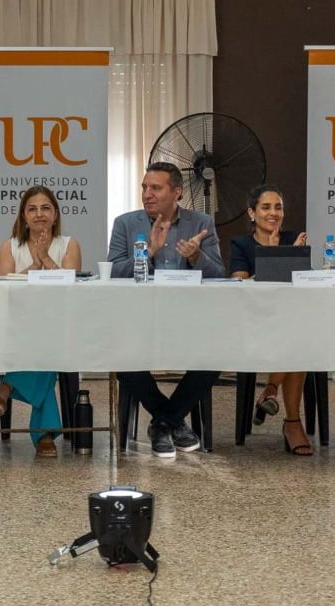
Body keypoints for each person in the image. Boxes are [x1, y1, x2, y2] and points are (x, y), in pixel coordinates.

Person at [107, 161, 223, 458]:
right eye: (144, 187)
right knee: (120, 357)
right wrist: (150, 251)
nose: (147, 194)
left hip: (189, 319)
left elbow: (219, 275)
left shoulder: (201, 223)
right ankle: (171, 420)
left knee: (215, 357)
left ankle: (163, 422)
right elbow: (114, 272)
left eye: (156, 188)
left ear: (177, 192)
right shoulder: (125, 224)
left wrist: (196, 256)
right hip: (140, 318)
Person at [0, 185, 82, 457]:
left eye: (45, 208)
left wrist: (46, 259)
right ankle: (45, 435)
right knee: (44, 346)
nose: (39, 214)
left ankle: (7, 385)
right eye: (32, 209)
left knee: (47, 339)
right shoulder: (9, 246)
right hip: (17, 325)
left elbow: (71, 286)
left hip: (59, 323)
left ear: (55, 214)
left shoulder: (69, 244)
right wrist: (33, 266)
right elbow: (4, 289)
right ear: (23, 216)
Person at [229, 184, 313, 455]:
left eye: (278, 207)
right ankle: (291, 422)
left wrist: (295, 256)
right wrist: (277, 257)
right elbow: (239, 284)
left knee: (296, 336)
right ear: (252, 213)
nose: (273, 213)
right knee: (295, 338)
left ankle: (272, 391)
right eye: (266, 207)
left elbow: (305, 285)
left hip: (290, 320)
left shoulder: (293, 238)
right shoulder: (241, 244)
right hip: (254, 321)